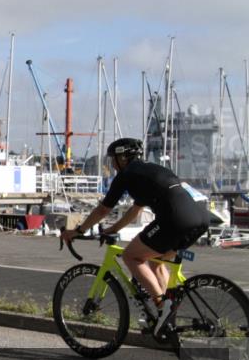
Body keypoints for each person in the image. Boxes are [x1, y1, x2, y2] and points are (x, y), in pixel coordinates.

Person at [61, 138, 210, 334]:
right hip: (200, 218)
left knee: (131, 256)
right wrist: (113, 229)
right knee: (156, 263)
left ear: (123, 158)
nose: (112, 164)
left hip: (174, 219)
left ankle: (163, 308)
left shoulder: (126, 175)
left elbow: (103, 209)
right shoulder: (149, 171)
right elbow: (135, 209)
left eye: (113, 159)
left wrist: (78, 231)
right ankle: (167, 318)